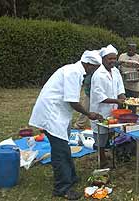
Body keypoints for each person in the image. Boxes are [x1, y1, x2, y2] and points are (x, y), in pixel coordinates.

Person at [29, 50, 104, 200]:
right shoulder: (73, 73)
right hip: (51, 115)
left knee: (64, 148)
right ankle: (62, 188)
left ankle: (71, 177)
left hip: (58, 114)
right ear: (89, 65)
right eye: (94, 68)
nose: (94, 71)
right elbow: (73, 101)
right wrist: (89, 114)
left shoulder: (73, 69)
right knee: (60, 152)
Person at [90, 44, 126, 167]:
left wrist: (122, 96)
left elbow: (120, 87)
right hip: (100, 110)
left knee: (111, 132)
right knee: (101, 136)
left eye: (114, 58)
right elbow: (99, 96)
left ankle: (109, 152)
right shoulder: (98, 74)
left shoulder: (115, 71)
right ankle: (102, 158)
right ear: (103, 59)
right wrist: (117, 101)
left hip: (113, 110)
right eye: (109, 59)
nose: (112, 61)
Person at [118, 42, 139, 113]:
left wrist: (134, 79)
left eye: (133, 50)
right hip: (122, 87)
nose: (131, 51)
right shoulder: (122, 56)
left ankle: (131, 121)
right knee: (121, 106)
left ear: (135, 50)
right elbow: (118, 69)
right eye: (129, 49)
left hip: (134, 88)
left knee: (132, 107)